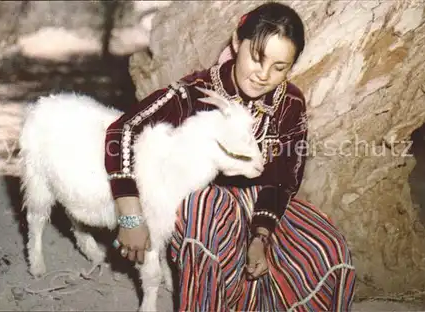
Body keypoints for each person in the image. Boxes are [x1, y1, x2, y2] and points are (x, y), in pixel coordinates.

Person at [105, 2, 356, 311]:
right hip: (206, 209)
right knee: (205, 219)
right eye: (257, 57)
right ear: (238, 42)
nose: (264, 75)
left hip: (262, 207)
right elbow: (122, 130)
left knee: (328, 246)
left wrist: (260, 236)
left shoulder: (290, 103)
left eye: (279, 67)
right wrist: (130, 212)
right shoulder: (197, 92)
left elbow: (284, 180)